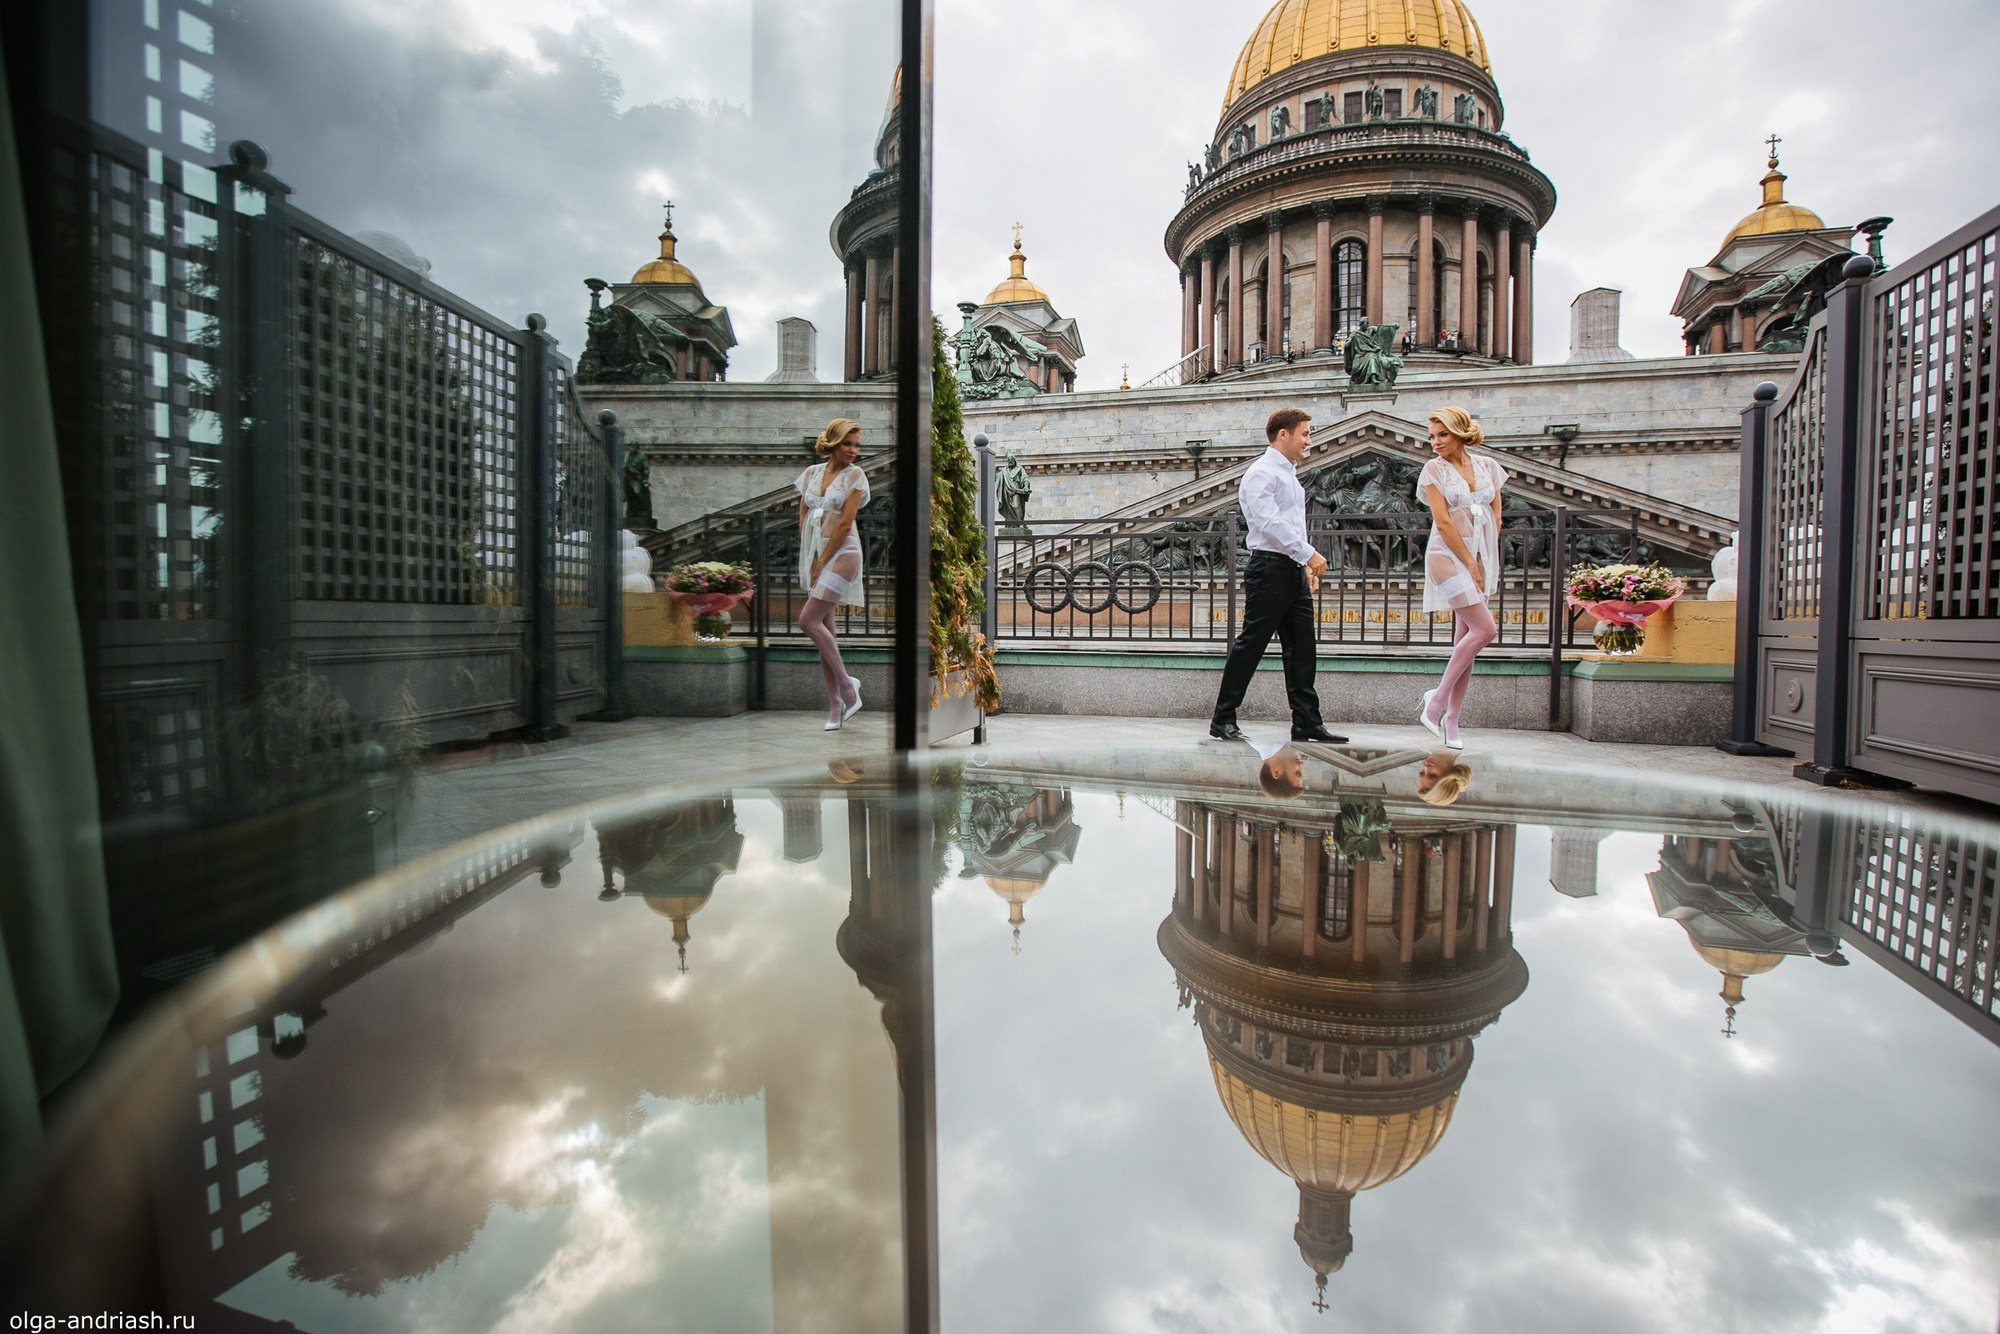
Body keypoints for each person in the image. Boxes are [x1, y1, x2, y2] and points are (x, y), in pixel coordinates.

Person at [1210, 407, 1346, 745]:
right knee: (1251, 645)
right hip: (1269, 569)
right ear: (1282, 434)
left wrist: (1303, 565)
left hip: (1290, 569)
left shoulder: (1289, 475)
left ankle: (1306, 722)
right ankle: (1222, 717)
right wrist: (1308, 555)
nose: (1309, 441)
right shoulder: (1262, 473)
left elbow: (1291, 526)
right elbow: (1269, 523)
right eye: (1305, 434)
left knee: (1302, 648)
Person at [1415, 406, 1505, 750]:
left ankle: (1452, 719)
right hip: (1447, 557)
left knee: (1465, 643)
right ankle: (1436, 700)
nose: (1436, 442)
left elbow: (1496, 513)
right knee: (1486, 630)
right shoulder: (1432, 470)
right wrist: (1471, 563)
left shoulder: (1488, 467)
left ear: (1460, 433)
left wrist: (1485, 555)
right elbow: (1444, 522)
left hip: (1479, 556)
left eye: (1443, 435)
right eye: (1432, 436)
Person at [796, 418, 870, 730]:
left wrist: (820, 561)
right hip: (818, 554)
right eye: (847, 444)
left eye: (856, 445)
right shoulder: (812, 474)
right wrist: (810, 554)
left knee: (807, 621)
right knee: (825, 633)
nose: (853, 450)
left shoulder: (856, 476)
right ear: (833, 443)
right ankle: (835, 706)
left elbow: (844, 523)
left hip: (844, 554)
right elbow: (803, 510)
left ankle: (848, 687)